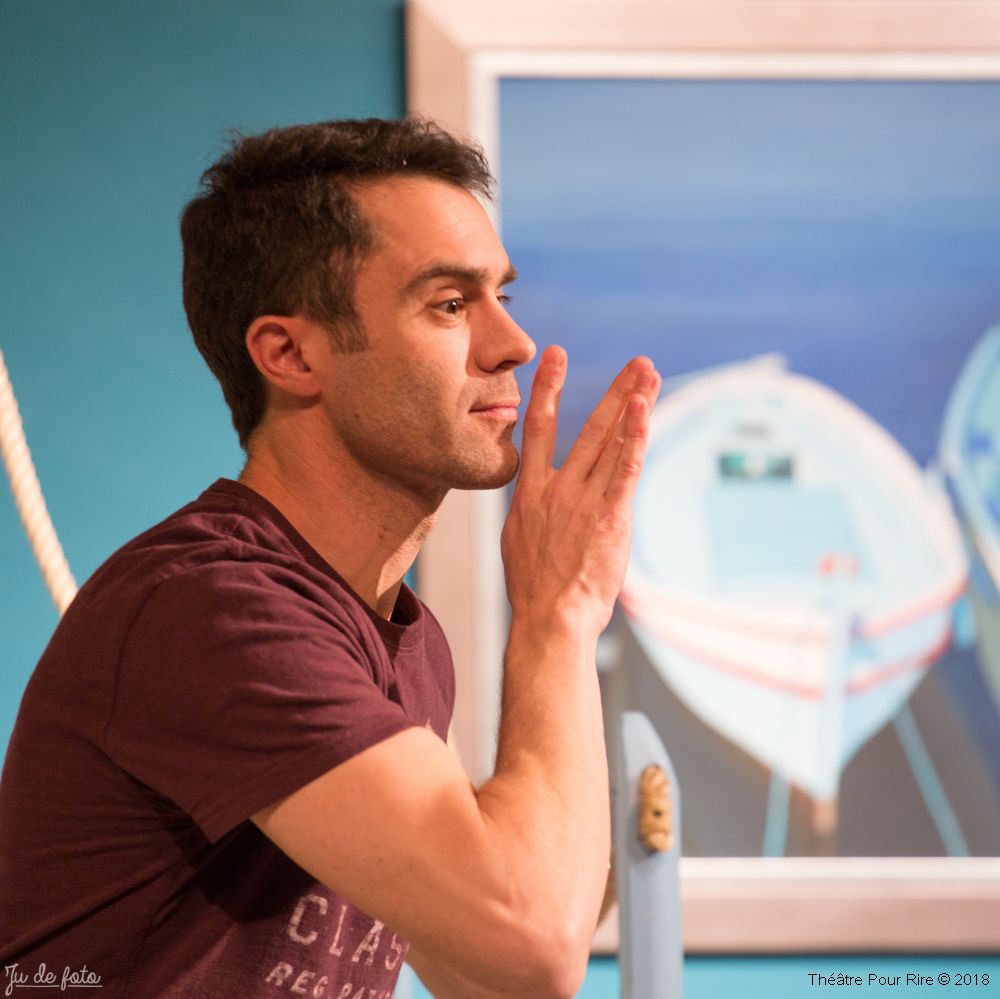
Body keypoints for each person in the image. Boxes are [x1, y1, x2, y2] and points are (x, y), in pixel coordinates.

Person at [0, 117, 660, 999]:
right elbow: (531, 948)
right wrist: (559, 614)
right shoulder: (214, 605)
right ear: (289, 354)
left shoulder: (398, 636)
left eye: (501, 294)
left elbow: (483, 977)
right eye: (450, 303)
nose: (512, 343)